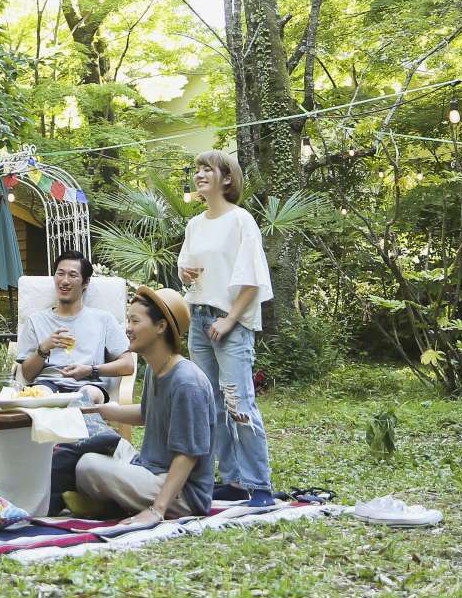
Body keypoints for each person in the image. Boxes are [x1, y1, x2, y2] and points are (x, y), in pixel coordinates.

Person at [176, 149, 279, 508]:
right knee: (210, 404)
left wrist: (231, 319)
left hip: (230, 322)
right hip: (199, 319)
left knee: (239, 404)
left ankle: (259, 485)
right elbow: (187, 267)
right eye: (197, 169)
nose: (200, 174)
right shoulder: (194, 224)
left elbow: (253, 278)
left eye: (208, 169)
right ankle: (232, 481)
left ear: (227, 178)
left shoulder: (241, 221)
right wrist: (183, 273)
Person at [72, 285, 220, 525]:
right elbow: (148, 413)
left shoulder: (187, 383)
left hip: (183, 492)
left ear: (160, 327)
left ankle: (115, 503)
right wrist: (106, 412)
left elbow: (188, 455)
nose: (127, 329)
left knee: (88, 466)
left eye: (134, 321)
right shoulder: (155, 369)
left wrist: (157, 510)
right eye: (127, 321)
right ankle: (113, 501)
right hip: (149, 467)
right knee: (101, 443)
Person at [16, 249, 134, 401]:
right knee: (41, 396)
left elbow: (128, 364)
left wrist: (90, 370)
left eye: (72, 275)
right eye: (60, 273)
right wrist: (43, 348)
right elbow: (27, 374)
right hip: (47, 383)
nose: (65, 281)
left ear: (85, 282)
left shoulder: (103, 319)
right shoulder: (36, 320)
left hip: (89, 384)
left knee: (86, 397)